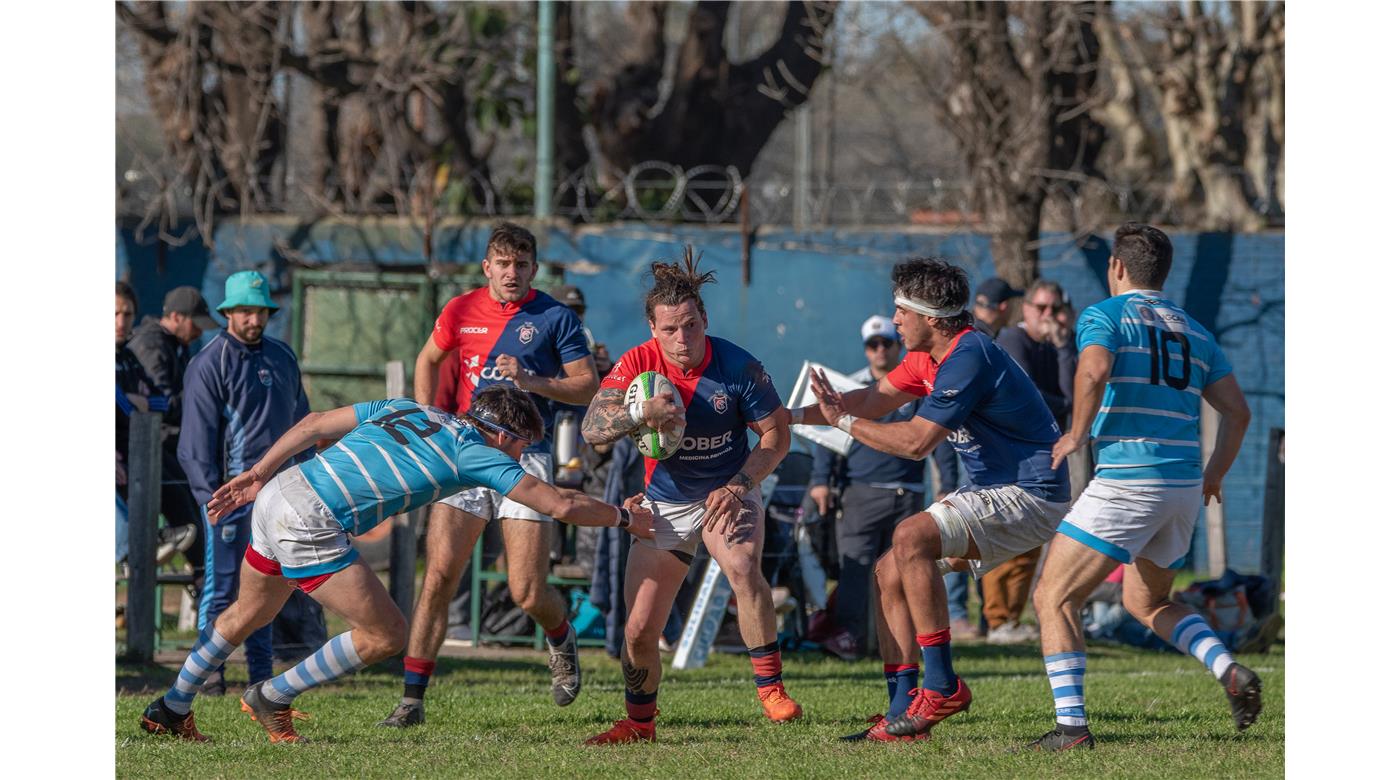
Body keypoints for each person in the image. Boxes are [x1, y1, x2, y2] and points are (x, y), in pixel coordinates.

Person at [138, 386, 655, 744]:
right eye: (522, 445)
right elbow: (560, 505)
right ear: (501, 434)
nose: (521, 456)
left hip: (283, 489)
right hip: (312, 519)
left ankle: (172, 707)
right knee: (385, 634)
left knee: (248, 611)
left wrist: (257, 472)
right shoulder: (477, 452)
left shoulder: (409, 406)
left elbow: (315, 424)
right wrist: (622, 517)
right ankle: (272, 695)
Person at [793, 256, 1070, 742]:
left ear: (932, 318)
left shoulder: (969, 356)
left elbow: (917, 441)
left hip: (1033, 492)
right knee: (888, 571)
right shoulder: (928, 358)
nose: (895, 320)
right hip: (996, 489)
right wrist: (788, 416)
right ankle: (903, 712)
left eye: (901, 311)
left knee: (910, 535)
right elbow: (870, 400)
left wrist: (842, 424)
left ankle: (941, 685)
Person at [1022, 223, 1260, 752]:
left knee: (1052, 596)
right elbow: (1238, 413)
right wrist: (1216, 473)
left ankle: (1071, 728)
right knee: (1146, 602)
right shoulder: (1195, 331)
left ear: (1117, 268)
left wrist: (1077, 433)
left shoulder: (1105, 315)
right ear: (1165, 273)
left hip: (1129, 480)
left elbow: (1093, 371)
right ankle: (1228, 669)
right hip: (1181, 486)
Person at [379, 222, 599, 728]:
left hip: (526, 455)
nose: (512, 273)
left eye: (522, 264)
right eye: (503, 264)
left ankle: (560, 635)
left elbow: (587, 387)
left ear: (534, 269)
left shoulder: (554, 316)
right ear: (487, 267)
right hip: (465, 452)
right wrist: (425, 418)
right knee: (438, 576)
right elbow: (428, 358)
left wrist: (533, 380)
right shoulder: (460, 310)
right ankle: (412, 699)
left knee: (525, 590)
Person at [578, 248, 800, 745]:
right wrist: (639, 415)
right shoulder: (637, 363)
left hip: (728, 488)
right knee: (638, 631)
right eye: (670, 329)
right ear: (652, 330)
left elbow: (776, 437)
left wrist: (740, 484)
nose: (682, 339)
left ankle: (771, 687)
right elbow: (592, 431)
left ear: (705, 318)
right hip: (666, 501)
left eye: (691, 326)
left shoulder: (739, 366)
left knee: (743, 567)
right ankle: (639, 725)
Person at [178, 270, 317, 696]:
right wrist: (211, 499)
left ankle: (259, 677)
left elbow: (304, 423)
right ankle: (207, 677)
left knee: (268, 589)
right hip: (231, 499)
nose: (254, 319)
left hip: (281, 497)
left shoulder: (282, 356)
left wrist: (308, 477)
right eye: (244, 311)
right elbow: (194, 445)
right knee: (221, 589)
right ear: (228, 314)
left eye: (260, 311)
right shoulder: (210, 362)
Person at [806, 315, 926, 660]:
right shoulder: (851, 386)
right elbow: (827, 435)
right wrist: (820, 482)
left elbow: (939, 437)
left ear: (898, 345)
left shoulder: (915, 386)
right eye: (872, 345)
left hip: (908, 489)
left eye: (886, 343)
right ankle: (850, 638)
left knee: (909, 569)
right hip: (861, 490)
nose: (878, 351)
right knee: (856, 569)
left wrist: (947, 484)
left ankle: (906, 643)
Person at [980, 279, 1080, 644]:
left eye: (1055, 309)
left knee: (1029, 539)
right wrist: (1061, 406)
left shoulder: (1056, 347)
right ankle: (995, 619)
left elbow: (1073, 401)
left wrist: (1066, 347)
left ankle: (1009, 619)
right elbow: (1033, 400)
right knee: (1000, 532)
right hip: (1008, 454)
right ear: (1026, 309)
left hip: (1041, 456)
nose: (1048, 317)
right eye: (1041, 308)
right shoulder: (1013, 340)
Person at [128, 286, 219, 591]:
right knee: (182, 498)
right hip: (151, 443)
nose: (198, 333)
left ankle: (205, 572)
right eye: (195, 324)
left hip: (169, 442)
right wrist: (202, 396)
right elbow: (161, 404)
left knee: (196, 501)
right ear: (176, 317)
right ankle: (203, 574)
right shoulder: (152, 345)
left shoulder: (174, 344)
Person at [117, 282, 195, 567]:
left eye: (127, 314)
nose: (121, 322)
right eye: (114, 314)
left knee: (178, 487)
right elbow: (125, 404)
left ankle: (200, 572)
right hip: (124, 451)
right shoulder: (149, 345)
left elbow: (157, 401)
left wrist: (142, 402)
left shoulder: (128, 357)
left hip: (136, 446)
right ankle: (133, 548)